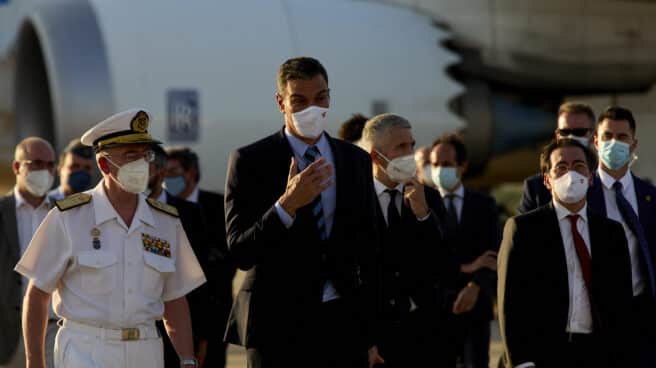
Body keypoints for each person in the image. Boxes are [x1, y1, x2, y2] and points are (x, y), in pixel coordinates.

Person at [15, 109, 206, 368]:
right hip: (86, 349)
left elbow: (175, 299)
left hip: (146, 350)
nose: (142, 163)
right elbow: (37, 295)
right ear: (104, 165)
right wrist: (34, 361)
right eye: (130, 155)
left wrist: (187, 359)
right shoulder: (69, 217)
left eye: (145, 155)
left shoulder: (165, 222)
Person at [224, 56, 382, 368]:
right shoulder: (250, 161)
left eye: (320, 98)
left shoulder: (354, 160)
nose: (312, 108)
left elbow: (371, 247)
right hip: (277, 326)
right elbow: (241, 251)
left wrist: (371, 330)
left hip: (342, 322)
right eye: (299, 100)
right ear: (280, 102)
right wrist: (287, 205)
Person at [498, 139, 633, 368]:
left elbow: (621, 303)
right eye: (561, 167)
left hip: (597, 354)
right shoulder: (523, 229)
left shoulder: (611, 233)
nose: (570, 174)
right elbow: (510, 302)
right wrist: (520, 361)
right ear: (547, 180)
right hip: (543, 354)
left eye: (579, 166)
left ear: (591, 178)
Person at [359, 113, 454, 367]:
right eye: (400, 147)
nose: (410, 153)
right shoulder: (356, 201)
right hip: (375, 339)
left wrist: (423, 215)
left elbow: (445, 262)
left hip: (426, 335)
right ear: (375, 156)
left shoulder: (430, 199)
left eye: (411, 145)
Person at [587, 106, 656, 367]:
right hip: (597, 318)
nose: (613, 143)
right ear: (596, 141)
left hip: (642, 316)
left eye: (622, 137)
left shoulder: (650, 195)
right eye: (607, 136)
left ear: (633, 144)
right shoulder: (582, 195)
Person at [430, 133, 500, 368]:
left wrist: (475, 286)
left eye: (447, 164)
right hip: (437, 309)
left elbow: (493, 254)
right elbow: (427, 258)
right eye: (435, 164)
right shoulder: (424, 204)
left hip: (476, 308)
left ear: (463, 166)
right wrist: (466, 267)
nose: (440, 170)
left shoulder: (483, 204)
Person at [165, 146, 233, 368]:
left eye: (173, 172)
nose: (167, 178)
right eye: (164, 172)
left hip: (214, 311)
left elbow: (228, 259)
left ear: (191, 173)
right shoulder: (161, 208)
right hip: (173, 314)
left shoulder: (218, 205)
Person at [147, 145, 211, 368]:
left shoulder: (189, 214)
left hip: (177, 333)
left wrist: (201, 337)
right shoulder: (121, 212)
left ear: (161, 172)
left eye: (147, 167)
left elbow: (200, 279)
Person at [0, 137, 55, 368]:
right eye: (37, 163)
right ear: (17, 167)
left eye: (50, 165)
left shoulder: (63, 214)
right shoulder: (2, 211)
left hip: (53, 331)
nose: (45, 171)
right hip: (7, 333)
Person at [518, 102, 596, 213]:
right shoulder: (536, 187)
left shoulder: (607, 183)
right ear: (557, 135)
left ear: (593, 136)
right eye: (565, 132)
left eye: (579, 132)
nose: (571, 137)